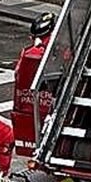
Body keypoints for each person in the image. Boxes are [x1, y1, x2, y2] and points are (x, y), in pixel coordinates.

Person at [12, 13, 56, 157]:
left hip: (30, 107)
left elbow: (18, 74)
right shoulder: (59, 49)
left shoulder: (28, 53)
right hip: (52, 104)